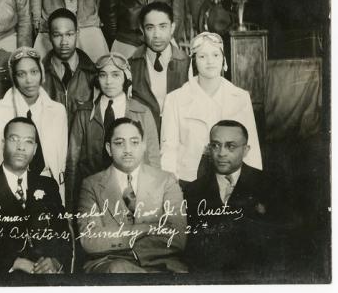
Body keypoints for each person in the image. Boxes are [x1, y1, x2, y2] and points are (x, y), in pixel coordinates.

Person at [0, 117, 71, 274]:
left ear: (35, 149)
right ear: (3, 143)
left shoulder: (48, 186)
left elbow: (64, 236)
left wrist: (55, 261)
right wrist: (14, 263)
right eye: (14, 139)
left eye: (28, 141)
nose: (21, 147)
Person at [78, 117, 187, 273]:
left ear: (143, 146)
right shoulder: (91, 185)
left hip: (162, 264)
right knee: (118, 269)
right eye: (119, 143)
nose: (127, 149)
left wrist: (133, 249)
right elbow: (89, 240)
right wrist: (145, 228)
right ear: (109, 149)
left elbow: (178, 237)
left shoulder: (166, 181)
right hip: (110, 264)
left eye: (134, 142)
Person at [160, 32, 263, 185]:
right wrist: (171, 190)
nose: (210, 62)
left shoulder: (240, 97)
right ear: (194, 61)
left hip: (231, 183)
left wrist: (254, 185)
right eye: (202, 56)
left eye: (216, 55)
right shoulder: (175, 99)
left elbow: (251, 148)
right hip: (188, 182)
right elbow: (168, 151)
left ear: (223, 59)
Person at [183, 120, 281, 272]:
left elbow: (278, 243)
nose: (221, 153)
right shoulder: (192, 191)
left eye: (231, 146)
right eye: (215, 145)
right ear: (209, 148)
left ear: (246, 150)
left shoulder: (269, 185)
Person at [66, 53, 160, 212]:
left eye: (115, 75)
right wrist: (71, 206)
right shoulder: (83, 113)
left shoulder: (142, 112)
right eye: (103, 75)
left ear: (126, 78)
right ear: (97, 79)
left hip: (133, 197)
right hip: (93, 197)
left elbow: (153, 160)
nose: (109, 81)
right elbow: (72, 164)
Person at [0, 47, 68, 202]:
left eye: (34, 72)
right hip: (8, 187)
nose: (29, 80)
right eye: (21, 74)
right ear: (13, 78)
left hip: (48, 184)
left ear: (42, 73)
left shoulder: (58, 111)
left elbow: (60, 158)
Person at [128, 2, 190, 132]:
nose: (157, 35)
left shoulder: (187, 64)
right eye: (150, 28)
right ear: (142, 30)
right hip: (144, 137)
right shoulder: (131, 65)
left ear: (172, 28)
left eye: (163, 26)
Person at [41, 8, 97, 127]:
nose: (64, 42)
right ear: (49, 36)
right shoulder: (38, 75)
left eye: (69, 34)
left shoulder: (94, 73)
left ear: (78, 33)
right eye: (57, 35)